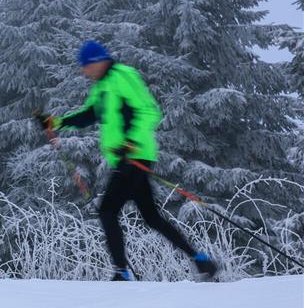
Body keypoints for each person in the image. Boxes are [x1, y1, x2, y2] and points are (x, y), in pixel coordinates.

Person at [35, 41, 218, 282]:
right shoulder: (102, 87)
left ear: (98, 62)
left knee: (108, 210)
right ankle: (201, 261)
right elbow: (89, 115)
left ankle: (122, 273)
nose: (84, 72)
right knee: (151, 217)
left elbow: (149, 110)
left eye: (86, 67)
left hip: (134, 156)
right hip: (125, 158)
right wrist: (55, 122)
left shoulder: (124, 76)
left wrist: (131, 142)